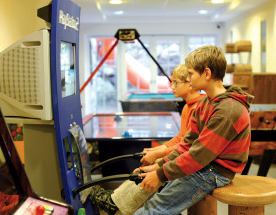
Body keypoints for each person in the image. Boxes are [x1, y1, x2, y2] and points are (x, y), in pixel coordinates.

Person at [132, 45, 254, 215]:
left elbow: (199, 154)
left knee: (154, 208)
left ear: (207, 73)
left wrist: (160, 175)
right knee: (158, 199)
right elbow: (187, 144)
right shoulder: (204, 103)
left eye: (190, 74)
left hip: (216, 171)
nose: (188, 78)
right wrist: (160, 165)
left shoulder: (228, 110)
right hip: (204, 165)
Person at [90, 64, 204, 215]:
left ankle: (115, 203)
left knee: (153, 170)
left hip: (193, 163)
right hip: (184, 155)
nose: (171, 86)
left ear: (190, 84)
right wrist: (156, 150)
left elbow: (189, 145)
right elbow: (181, 138)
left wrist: (159, 153)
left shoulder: (199, 108)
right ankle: (114, 199)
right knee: (145, 168)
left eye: (175, 82)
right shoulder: (187, 107)